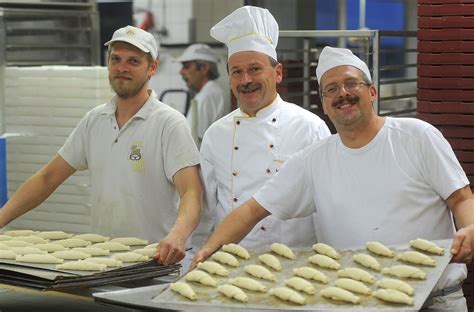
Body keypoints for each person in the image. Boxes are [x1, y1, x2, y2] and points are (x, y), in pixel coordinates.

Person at [194, 46, 474, 310]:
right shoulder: (313, 160)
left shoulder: (416, 136)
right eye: (331, 89)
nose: (343, 93)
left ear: (372, 92)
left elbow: (461, 198)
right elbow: (251, 210)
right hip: (358, 301)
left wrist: (470, 229)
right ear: (325, 105)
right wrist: (206, 252)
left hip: (435, 300)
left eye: (352, 84)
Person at [0, 25, 203, 265]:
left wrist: (177, 235)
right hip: (104, 260)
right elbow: (48, 178)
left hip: (154, 262)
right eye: (115, 59)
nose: (122, 68)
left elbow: (191, 191)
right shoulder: (95, 120)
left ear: (152, 68)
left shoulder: (169, 123)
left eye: (133, 61)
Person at [191, 6, 331, 251]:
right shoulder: (216, 134)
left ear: (277, 73)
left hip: (292, 264)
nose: (246, 80)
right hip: (229, 262)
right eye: (237, 72)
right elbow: (205, 211)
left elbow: (326, 208)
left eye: (254, 69)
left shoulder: (310, 128)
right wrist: (195, 262)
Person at [177, 43, 230, 148]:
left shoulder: (207, 96)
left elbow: (195, 142)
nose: (181, 72)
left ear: (204, 68)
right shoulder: (211, 92)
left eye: (186, 67)